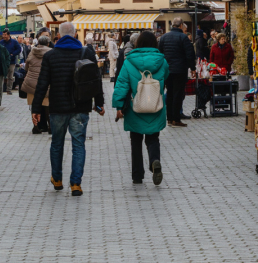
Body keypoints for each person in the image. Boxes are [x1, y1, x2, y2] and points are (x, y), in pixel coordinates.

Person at [32, 21, 104, 197]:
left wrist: (36, 109)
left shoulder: (51, 56)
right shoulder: (86, 52)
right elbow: (96, 79)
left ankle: (57, 180)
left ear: (59, 36)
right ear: (74, 34)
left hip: (57, 107)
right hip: (80, 107)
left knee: (57, 144)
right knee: (78, 145)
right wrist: (99, 103)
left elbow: (42, 84)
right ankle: (76, 184)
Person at [112, 31, 169, 185]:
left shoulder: (129, 61)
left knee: (135, 141)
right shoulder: (162, 61)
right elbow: (167, 78)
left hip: (134, 105)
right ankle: (154, 161)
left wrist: (118, 105)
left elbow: (122, 84)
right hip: (155, 105)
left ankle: (137, 175)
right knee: (153, 138)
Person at [158, 17, 196, 128]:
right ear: (180, 26)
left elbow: (160, 53)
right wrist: (192, 68)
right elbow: (190, 54)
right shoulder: (183, 37)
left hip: (167, 70)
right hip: (179, 70)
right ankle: (176, 118)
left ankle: (169, 118)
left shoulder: (163, 37)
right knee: (178, 94)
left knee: (169, 93)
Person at [23, 35, 52, 134]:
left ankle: (36, 126)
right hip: (45, 82)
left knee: (34, 105)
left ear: (38, 43)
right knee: (47, 105)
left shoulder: (32, 51)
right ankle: (50, 126)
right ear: (48, 43)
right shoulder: (51, 52)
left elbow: (26, 66)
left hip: (32, 83)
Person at [0, 29, 22, 95]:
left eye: (5, 35)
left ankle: (8, 90)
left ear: (9, 35)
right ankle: (1, 89)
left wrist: (13, 54)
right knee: (3, 75)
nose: (4, 36)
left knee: (10, 76)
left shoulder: (14, 42)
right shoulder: (1, 42)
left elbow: (19, 49)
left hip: (11, 61)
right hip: (3, 62)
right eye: (3, 35)